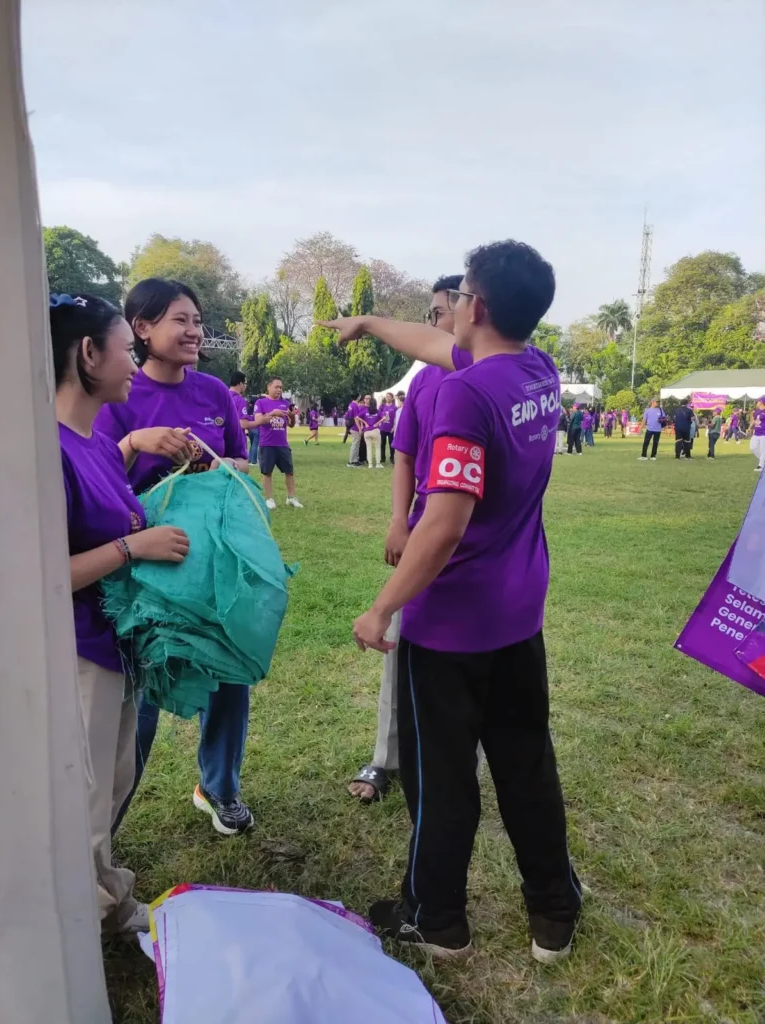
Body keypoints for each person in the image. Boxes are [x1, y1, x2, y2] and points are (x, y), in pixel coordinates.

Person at [321, 241, 582, 963]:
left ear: (479, 307)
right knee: (527, 765)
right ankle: (554, 911)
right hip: (518, 615)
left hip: (451, 627)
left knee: (441, 780)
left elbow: (443, 524)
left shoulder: (467, 394)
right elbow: (431, 342)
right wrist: (369, 323)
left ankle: (437, 920)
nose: (454, 308)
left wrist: (381, 608)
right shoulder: (536, 369)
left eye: (460, 295)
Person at [95, 278, 255, 837]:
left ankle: (219, 788)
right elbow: (96, 478)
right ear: (142, 328)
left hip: (210, 559)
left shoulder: (214, 392)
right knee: (139, 691)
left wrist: (218, 463)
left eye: (197, 321)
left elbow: (241, 461)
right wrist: (136, 442)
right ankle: (106, 820)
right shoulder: (119, 392)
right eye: (180, 320)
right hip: (144, 569)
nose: (194, 332)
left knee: (227, 674)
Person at [52, 292, 191, 932]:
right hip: (79, 653)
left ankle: (107, 899)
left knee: (111, 783)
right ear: (88, 353)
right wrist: (134, 547)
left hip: (117, 646)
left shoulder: (101, 445)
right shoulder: (47, 453)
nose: (135, 366)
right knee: (80, 799)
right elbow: (41, 576)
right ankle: (73, 930)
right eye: (126, 351)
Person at [348, 275, 464, 803]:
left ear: (471, 311)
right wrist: (399, 519)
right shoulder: (424, 381)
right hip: (422, 531)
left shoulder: (490, 377)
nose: (432, 323)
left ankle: (457, 760)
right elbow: (404, 454)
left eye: (438, 313)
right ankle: (385, 758)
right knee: (400, 646)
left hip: (472, 544)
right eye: (431, 314)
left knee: (466, 659)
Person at [252, 379, 303, 509]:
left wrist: (292, 417)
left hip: (282, 444)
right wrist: (272, 413)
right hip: (267, 443)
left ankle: (291, 498)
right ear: (269, 387)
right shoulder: (261, 403)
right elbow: (258, 420)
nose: (279, 390)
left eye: (280, 387)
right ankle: (269, 499)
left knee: (289, 471)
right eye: (276, 387)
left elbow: (291, 425)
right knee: (267, 472)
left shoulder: (285, 404)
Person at [356, 397, 387, 469]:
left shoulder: (365, 411)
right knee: (377, 447)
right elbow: (384, 418)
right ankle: (378, 464)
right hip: (375, 430)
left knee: (368, 448)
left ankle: (370, 464)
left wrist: (365, 423)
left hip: (367, 431)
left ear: (369, 403)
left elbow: (357, 417)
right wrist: (377, 423)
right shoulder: (377, 411)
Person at [379, 392, 397, 464]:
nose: (387, 398)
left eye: (389, 396)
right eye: (386, 396)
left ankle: (392, 458)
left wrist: (393, 427)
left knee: (391, 444)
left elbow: (396, 418)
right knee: (382, 444)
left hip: (390, 428)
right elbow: (379, 415)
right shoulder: (382, 406)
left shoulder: (394, 407)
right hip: (383, 428)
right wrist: (379, 423)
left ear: (392, 398)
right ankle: (382, 458)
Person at [750, 397, 765, 472]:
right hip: (756, 432)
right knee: (753, 448)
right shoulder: (757, 411)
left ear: (762, 402)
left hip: (763, 433)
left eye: (758, 401)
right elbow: (754, 420)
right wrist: (750, 427)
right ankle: (763, 460)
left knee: (763, 450)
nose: (757, 403)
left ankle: (760, 466)